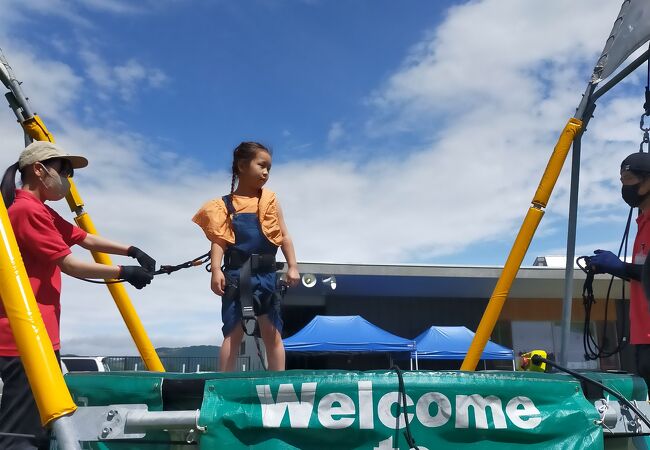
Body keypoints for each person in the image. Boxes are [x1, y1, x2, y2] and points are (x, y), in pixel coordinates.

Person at [0, 141, 156, 450]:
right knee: (23, 433)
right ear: (39, 169)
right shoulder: (26, 211)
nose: (68, 179)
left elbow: (84, 239)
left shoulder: (40, 209)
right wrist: (124, 273)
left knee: (36, 426)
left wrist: (132, 250)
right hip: (25, 338)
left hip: (39, 334)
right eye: (64, 171)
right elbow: (71, 265)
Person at [193, 142, 299, 372]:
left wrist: (293, 266)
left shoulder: (271, 200)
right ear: (242, 165)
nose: (266, 172)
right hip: (236, 277)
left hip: (267, 276)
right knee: (232, 332)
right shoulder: (222, 205)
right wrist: (217, 270)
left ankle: (277, 387)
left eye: (269, 168)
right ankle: (222, 390)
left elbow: (285, 236)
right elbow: (219, 241)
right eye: (261, 165)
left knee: (272, 334)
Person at [589, 152, 650, 388]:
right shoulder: (642, 222)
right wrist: (615, 268)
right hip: (642, 335)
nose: (624, 188)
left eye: (628, 180)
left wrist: (620, 266)